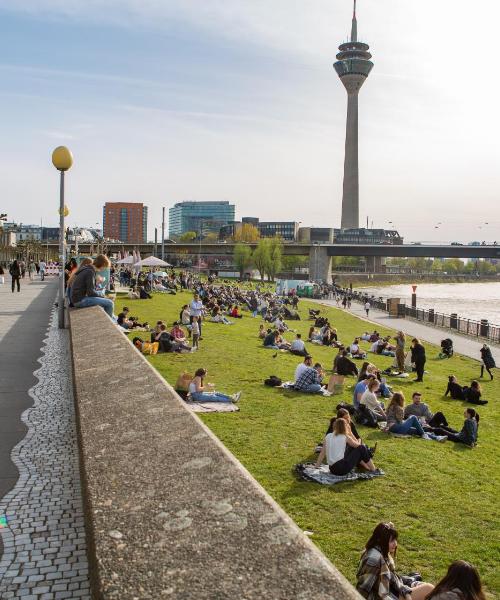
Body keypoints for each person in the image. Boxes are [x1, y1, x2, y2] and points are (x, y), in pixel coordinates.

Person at [356, 522, 434, 600]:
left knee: (430, 589)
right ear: (381, 540)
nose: (395, 544)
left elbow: (391, 577)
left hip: (391, 590)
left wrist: (406, 585)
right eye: (392, 541)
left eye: (395, 540)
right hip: (384, 596)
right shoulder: (373, 560)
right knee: (429, 589)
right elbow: (363, 589)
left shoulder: (381, 552)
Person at [314, 418, 381, 476]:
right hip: (341, 469)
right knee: (362, 447)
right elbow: (359, 446)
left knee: (352, 447)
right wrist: (350, 432)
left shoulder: (328, 436)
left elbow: (322, 453)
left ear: (335, 426)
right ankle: (374, 470)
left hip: (332, 469)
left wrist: (316, 467)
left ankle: (366, 467)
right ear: (345, 427)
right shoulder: (345, 437)